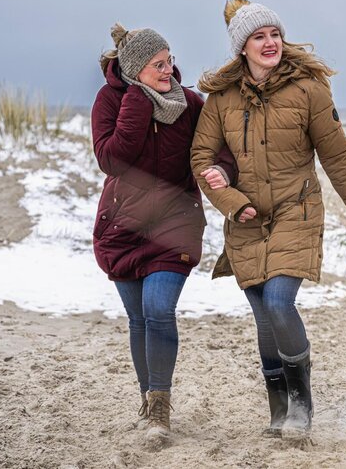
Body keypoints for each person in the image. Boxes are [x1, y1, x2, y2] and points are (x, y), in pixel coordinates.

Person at [191, 0, 346, 438]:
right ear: (241, 47)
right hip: (246, 219)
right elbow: (201, 159)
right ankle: (278, 409)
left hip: (296, 211)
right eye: (259, 37)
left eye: (275, 34)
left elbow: (340, 160)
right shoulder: (221, 99)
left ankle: (301, 405)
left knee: (280, 302)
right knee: (264, 314)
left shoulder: (308, 91)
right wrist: (230, 200)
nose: (270, 43)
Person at [92, 23, 236, 449]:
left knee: (157, 308)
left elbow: (220, 146)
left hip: (176, 224)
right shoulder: (111, 100)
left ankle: (160, 409)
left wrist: (222, 170)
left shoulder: (188, 103)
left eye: (169, 60)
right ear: (135, 68)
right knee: (138, 319)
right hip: (123, 227)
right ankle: (147, 398)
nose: (168, 69)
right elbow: (112, 160)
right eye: (158, 64)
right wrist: (137, 101)